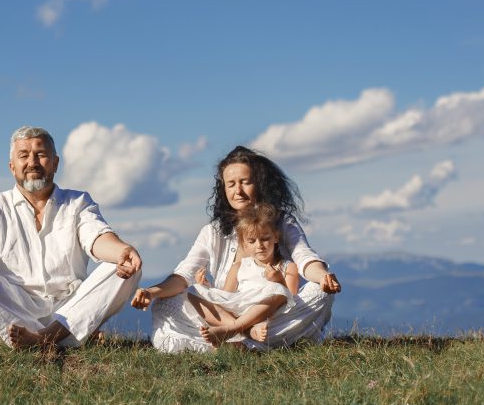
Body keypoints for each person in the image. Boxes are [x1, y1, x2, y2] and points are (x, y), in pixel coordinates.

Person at [0, 126, 143, 349]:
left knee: (123, 268)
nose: (32, 162)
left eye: (41, 155)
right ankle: (65, 337)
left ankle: (43, 338)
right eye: (23, 155)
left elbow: (96, 236)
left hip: (68, 308)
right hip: (13, 308)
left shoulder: (77, 202)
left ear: (55, 163)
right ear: (11, 166)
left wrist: (121, 251)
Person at [132, 145, 341, 352]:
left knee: (320, 292)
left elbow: (304, 257)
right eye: (231, 184)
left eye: (245, 182)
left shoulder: (281, 222)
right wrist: (151, 292)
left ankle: (231, 339)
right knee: (165, 304)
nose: (238, 191)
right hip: (225, 311)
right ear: (223, 188)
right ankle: (248, 337)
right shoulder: (212, 232)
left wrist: (323, 276)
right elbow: (184, 275)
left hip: (272, 312)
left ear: (259, 184)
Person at [187, 203, 299, 347]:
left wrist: (279, 280)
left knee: (278, 290)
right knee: (192, 291)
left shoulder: (288, 267)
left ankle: (232, 330)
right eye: (252, 241)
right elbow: (226, 297)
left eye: (265, 238)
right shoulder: (239, 266)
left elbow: (292, 302)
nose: (259, 245)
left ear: (275, 237)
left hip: (267, 315)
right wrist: (207, 289)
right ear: (244, 243)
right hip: (239, 313)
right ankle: (246, 331)